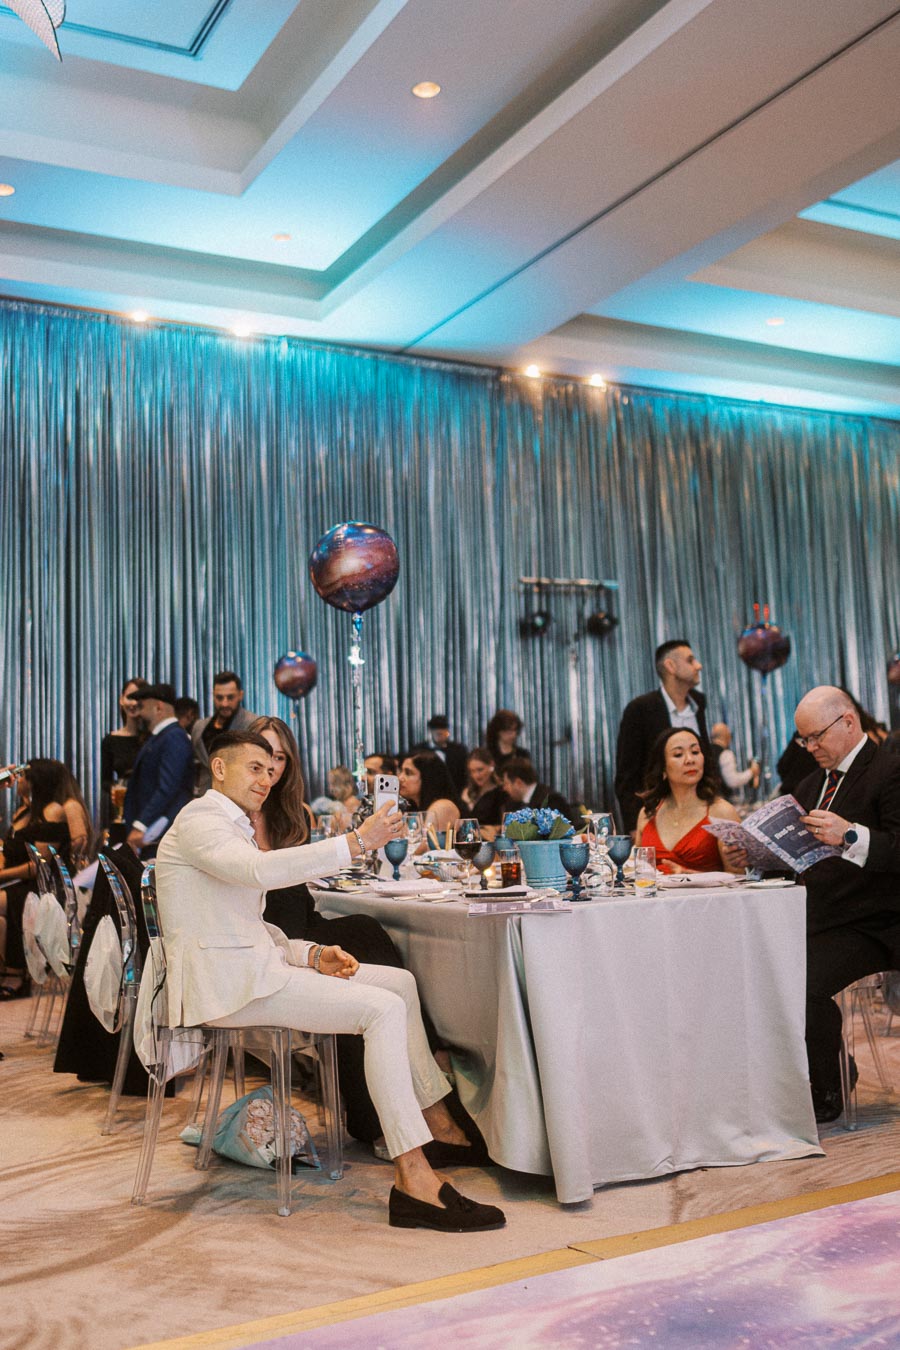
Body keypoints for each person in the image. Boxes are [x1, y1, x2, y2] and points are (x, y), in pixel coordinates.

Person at [154, 730, 504, 1232]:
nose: (266, 778)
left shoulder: (231, 825)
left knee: (398, 985)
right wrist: (356, 842)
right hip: (228, 986)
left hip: (253, 969)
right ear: (220, 768)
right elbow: (257, 872)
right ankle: (414, 1177)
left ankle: (434, 1119)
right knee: (380, 1010)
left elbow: (247, 926)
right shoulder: (200, 820)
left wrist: (311, 953)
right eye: (254, 767)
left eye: (270, 769)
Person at [251, 716, 460, 1152]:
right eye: (261, 757)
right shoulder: (231, 820)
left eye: (280, 758)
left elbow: (299, 891)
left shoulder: (293, 814)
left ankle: (411, 1102)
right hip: (265, 944)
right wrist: (356, 842)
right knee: (352, 968)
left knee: (364, 932)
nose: (270, 768)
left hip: (298, 928)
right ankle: (399, 1105)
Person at [775, 687, 900, 1123]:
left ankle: (827, 1086)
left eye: (816, 737)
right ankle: (811, 1072)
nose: (810, 748)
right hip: (820, 917)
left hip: (877, 922)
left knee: (801, 981)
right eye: (803, 740)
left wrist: (850, 834)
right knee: (763, 967)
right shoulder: (811, 785)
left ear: (848, 722)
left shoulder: (890, 770)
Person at [0, 759, 92, 998]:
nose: (17, 780)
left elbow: (39, 865)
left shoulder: (53, 811)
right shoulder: (24, 811)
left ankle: (15, 972)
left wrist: (1, 875)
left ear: (35, 781)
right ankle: (8, 970)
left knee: (4, 901)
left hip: (42, 887)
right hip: (20, 883)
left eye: (22, 776)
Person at [615, 639, 710, 834]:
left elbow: (707, 761)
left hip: (701, 813)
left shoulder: (698, 703)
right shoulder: (641, 709)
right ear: (670, 666)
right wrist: (634, 826)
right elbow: (627, 776)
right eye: (690, 660)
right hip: (658, 817)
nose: (698, 665)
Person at [635, 728, 741, 873]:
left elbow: (739, 879)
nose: (690, 760)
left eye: (695, 752)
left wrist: (689, 876)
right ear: (663, 767)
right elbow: (640, 874)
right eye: (678, 754)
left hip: (708, 890)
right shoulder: (647, 813)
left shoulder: (722, 812)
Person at [123, 683, 193, 853]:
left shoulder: (174, 737)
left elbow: (167, 788)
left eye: (142, 706)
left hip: (158, 831)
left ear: (158, 707)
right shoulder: (163, 737)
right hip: (154, 830)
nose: (139, 713)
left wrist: (141, 824)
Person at [191, 670, 257, 794]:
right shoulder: (199, 727)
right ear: (213, 695)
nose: (224, 703)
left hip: (239, 795)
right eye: (219, 698)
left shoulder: (253, 724)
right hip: (205, 795)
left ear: (240, 695)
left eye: (230, 697)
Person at [99, 677, 149, 827]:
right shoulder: (110, 740)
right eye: (129, 697)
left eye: (138, 698)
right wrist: (114, 789)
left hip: (149, 807)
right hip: (123, 807)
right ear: (121, 700)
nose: (133, 703)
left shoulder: (154, 738)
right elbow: (105, 780)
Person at [398, 752, 461, 834]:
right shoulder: (411, 807)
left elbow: (425, 841)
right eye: (401, 771)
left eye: (408, 773)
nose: (400, 778)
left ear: (427, 777)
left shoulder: (443, 806)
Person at [412, 716, 468, 794]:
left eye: (442, 728)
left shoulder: (459, 750)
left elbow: (464, 776)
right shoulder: (419, 750)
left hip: (455, 794)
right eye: (435, 729)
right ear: (430, 731)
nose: (439, 732)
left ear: (447, 730)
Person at [500, 757, 570, 818]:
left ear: (519, 783)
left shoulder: (551, 801)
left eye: (506, 784)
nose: (504, 788)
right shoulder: (514, 804)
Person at [710, 722, 759, 799]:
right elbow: (732, 781)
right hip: (722, 799)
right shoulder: (726, 754)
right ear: (726, 736)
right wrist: (752, 771)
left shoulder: (705, 752)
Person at [461, 747, 506, 828]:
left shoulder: (501, 793)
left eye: (480, 770)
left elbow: (503, 825)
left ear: (491, 765)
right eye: (472, 771)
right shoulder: (467, 792)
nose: (477, 775)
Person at [309, 766, 362, 830]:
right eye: (329, 784)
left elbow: (346, 827)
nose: (331, 789)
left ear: (344, 784)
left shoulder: (351, 801)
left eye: (334, 784)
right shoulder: (339, 802)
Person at [484, 710, 530, 774]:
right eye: (509, 731)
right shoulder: (487, 754)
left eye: (515, 730)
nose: (514, 735)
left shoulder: (522, 754)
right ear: (498, 731)